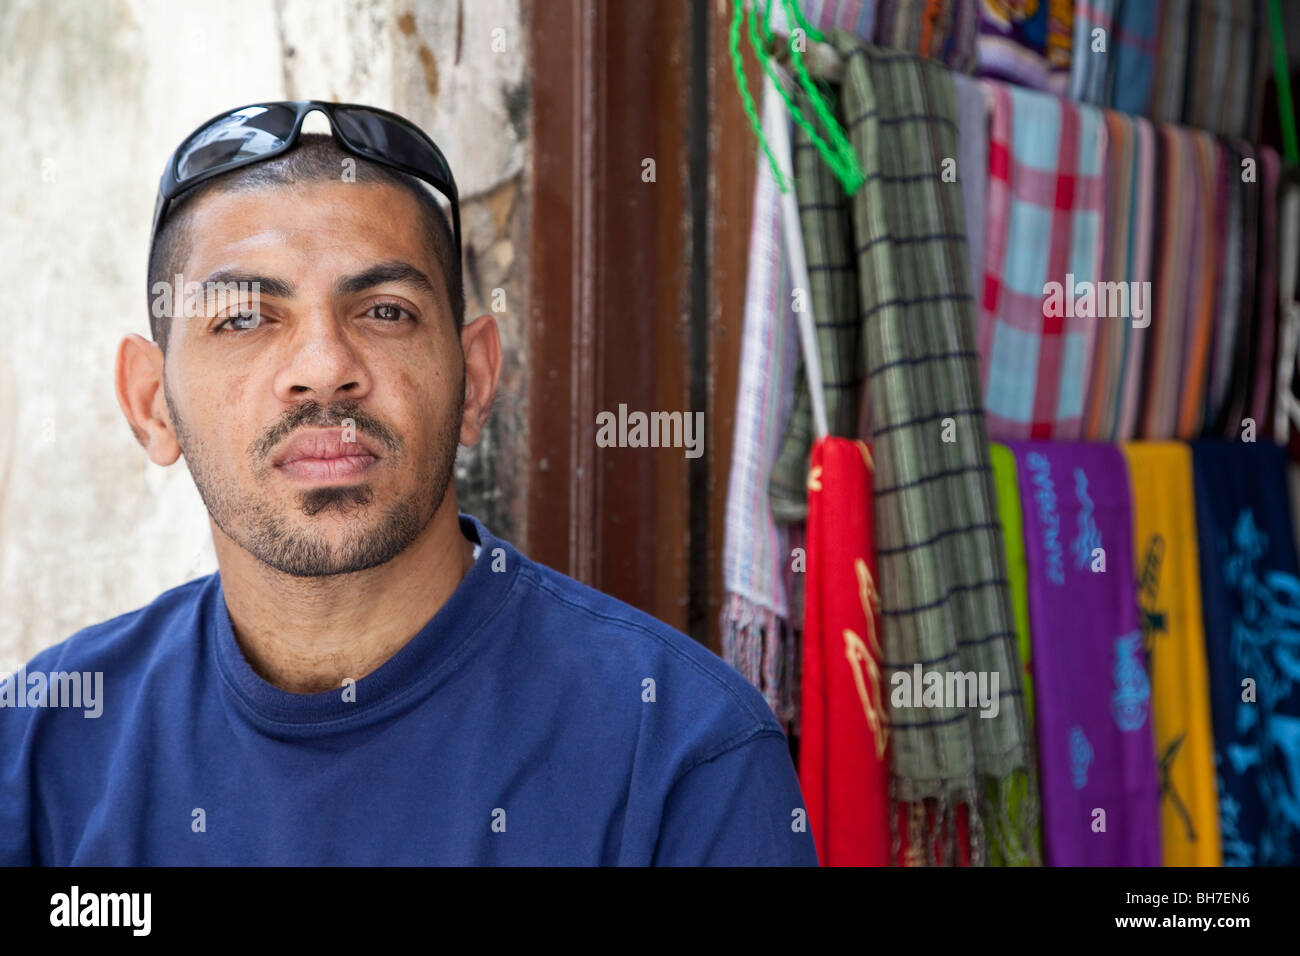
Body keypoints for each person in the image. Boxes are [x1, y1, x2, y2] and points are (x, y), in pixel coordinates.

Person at [0, 101, 817, 865]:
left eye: (384, 311)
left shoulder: (679, 754)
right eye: (245, 317)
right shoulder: (39, 750)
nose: (324, 369)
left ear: (477, 378)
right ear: (152, 405)